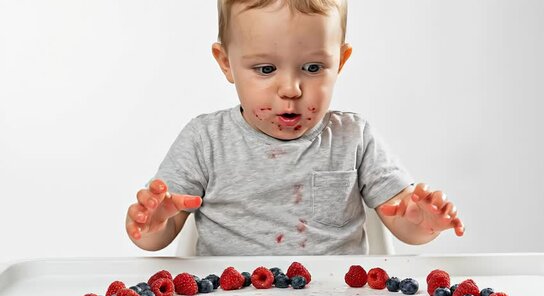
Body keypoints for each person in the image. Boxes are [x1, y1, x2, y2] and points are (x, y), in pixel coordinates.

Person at [125, 0, 464, 255]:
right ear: (226, 63)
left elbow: (402, 220)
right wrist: (152, 223)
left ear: (340, 62)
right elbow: (160, 235)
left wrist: (422, 223)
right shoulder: (205, 140)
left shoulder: (353, 138)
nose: (291, 89)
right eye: (266, 69)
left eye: (313, 67)